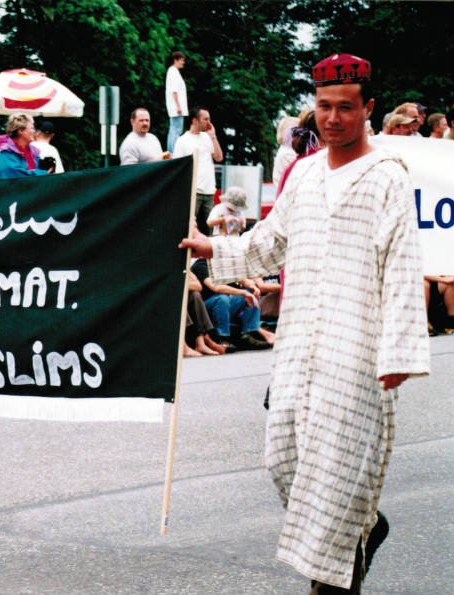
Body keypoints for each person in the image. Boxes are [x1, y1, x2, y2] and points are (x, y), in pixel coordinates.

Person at [179, 52, 430, 593]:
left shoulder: (387, 177)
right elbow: (269, 245)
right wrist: (211, 247)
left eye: (345, 107)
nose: (333, 118)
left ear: (368, 109)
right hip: (297, 348)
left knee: (339, 473)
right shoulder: (304, 174)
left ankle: (335, 575)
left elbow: (403, 265)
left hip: (357, 349)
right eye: (323, 107)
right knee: (284, 459)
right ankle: (363, 529)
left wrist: (399, 351)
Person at [172, 107, 223, 236]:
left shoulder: (207, 138)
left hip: (209, 192)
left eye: (209, 119)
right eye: (205, 119)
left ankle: (207, 256)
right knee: (189, 229)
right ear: (195, 120)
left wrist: (213, 136)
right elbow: (177, 168)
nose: (209, 122)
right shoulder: (182, 140)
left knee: (210, 230)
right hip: (193, 192)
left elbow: (219, 157)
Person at [0, 113, 50, 179]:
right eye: (32, 128)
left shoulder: (33, 152)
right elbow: (17, 177)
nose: (35, 131)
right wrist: (44, 173)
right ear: (20, 131)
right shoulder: (5, 152)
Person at [165, 51, 188, 154]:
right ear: (176, 60)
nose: (183, 63)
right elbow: (174, 91)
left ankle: (171, 152)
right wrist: (178, 106)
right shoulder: (173, 72)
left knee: (173, 129)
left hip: (176, 107)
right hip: (177, 107)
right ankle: (173, 152)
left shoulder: (173, 71)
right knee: (176, 130)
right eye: (182, 60)